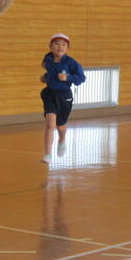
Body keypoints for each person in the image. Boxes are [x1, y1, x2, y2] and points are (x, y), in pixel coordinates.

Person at [39, 33, 85, 164]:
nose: (60, 47)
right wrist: (45, 77)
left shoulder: (71, 63)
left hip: (64, 97)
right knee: (50, 124)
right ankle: (48, 154)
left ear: (68, 48)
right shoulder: (47, 58)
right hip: (49, 94)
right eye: (56, 44)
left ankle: (62, 139)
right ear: (50, 46)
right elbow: (48, 70)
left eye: (63, 45)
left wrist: (68, 78)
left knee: (61, 127)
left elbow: (81, 78)